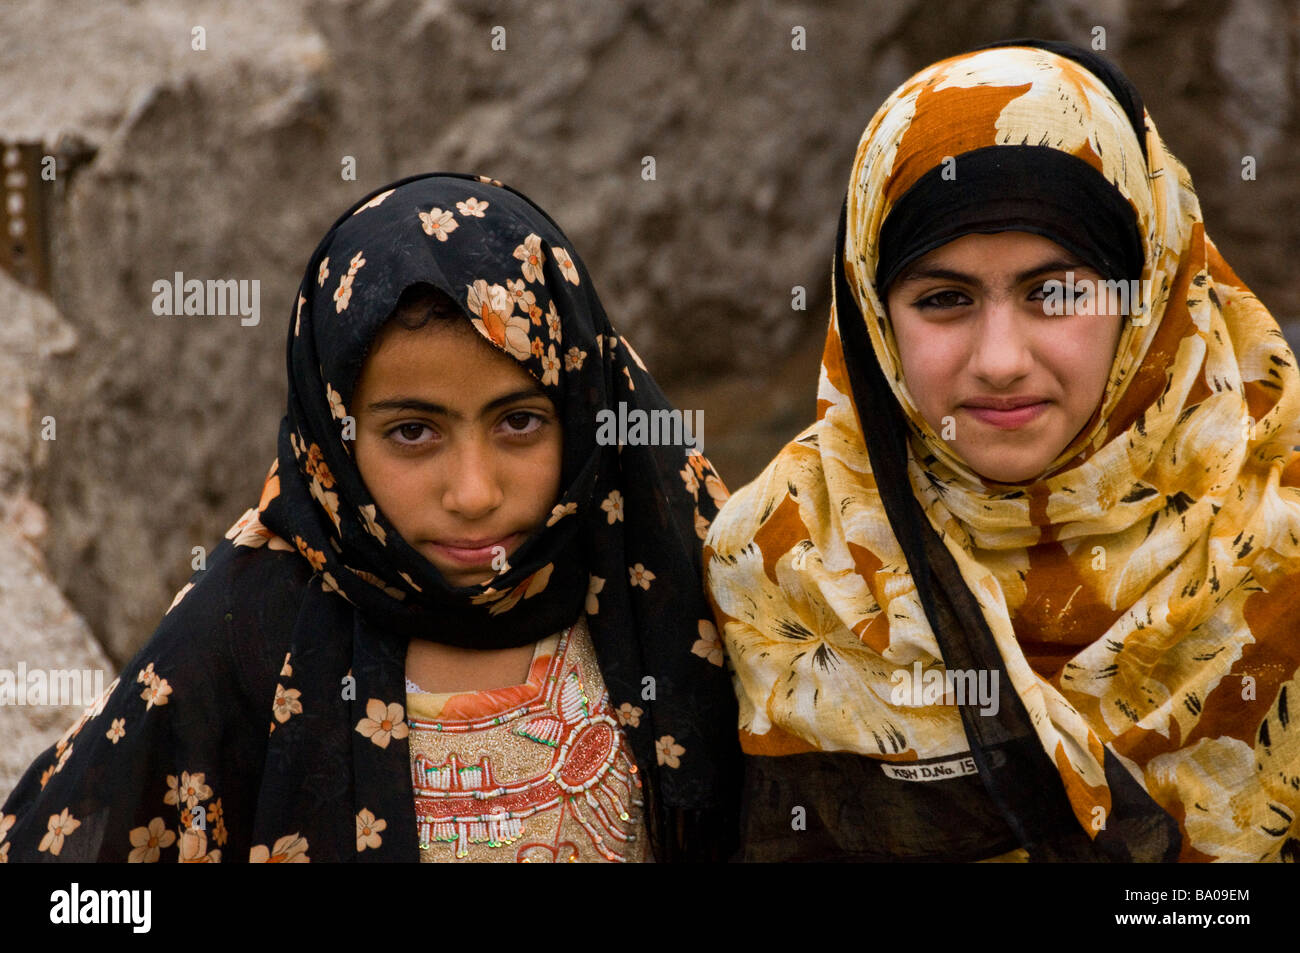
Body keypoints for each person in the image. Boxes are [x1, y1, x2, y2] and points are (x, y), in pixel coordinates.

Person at [0, 173, 738, 863]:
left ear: (581, 412)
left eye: (518, 422)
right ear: (334, 435)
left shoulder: (670, 578)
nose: (474, 492)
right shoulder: (242, 636)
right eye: (413, 432)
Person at [705, 40, 1300, 862]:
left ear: (1149, 292)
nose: (999, 359)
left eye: (1053, 292)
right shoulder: (777, 557)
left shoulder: (1283, 535)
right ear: (875, 318)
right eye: (944, 299)